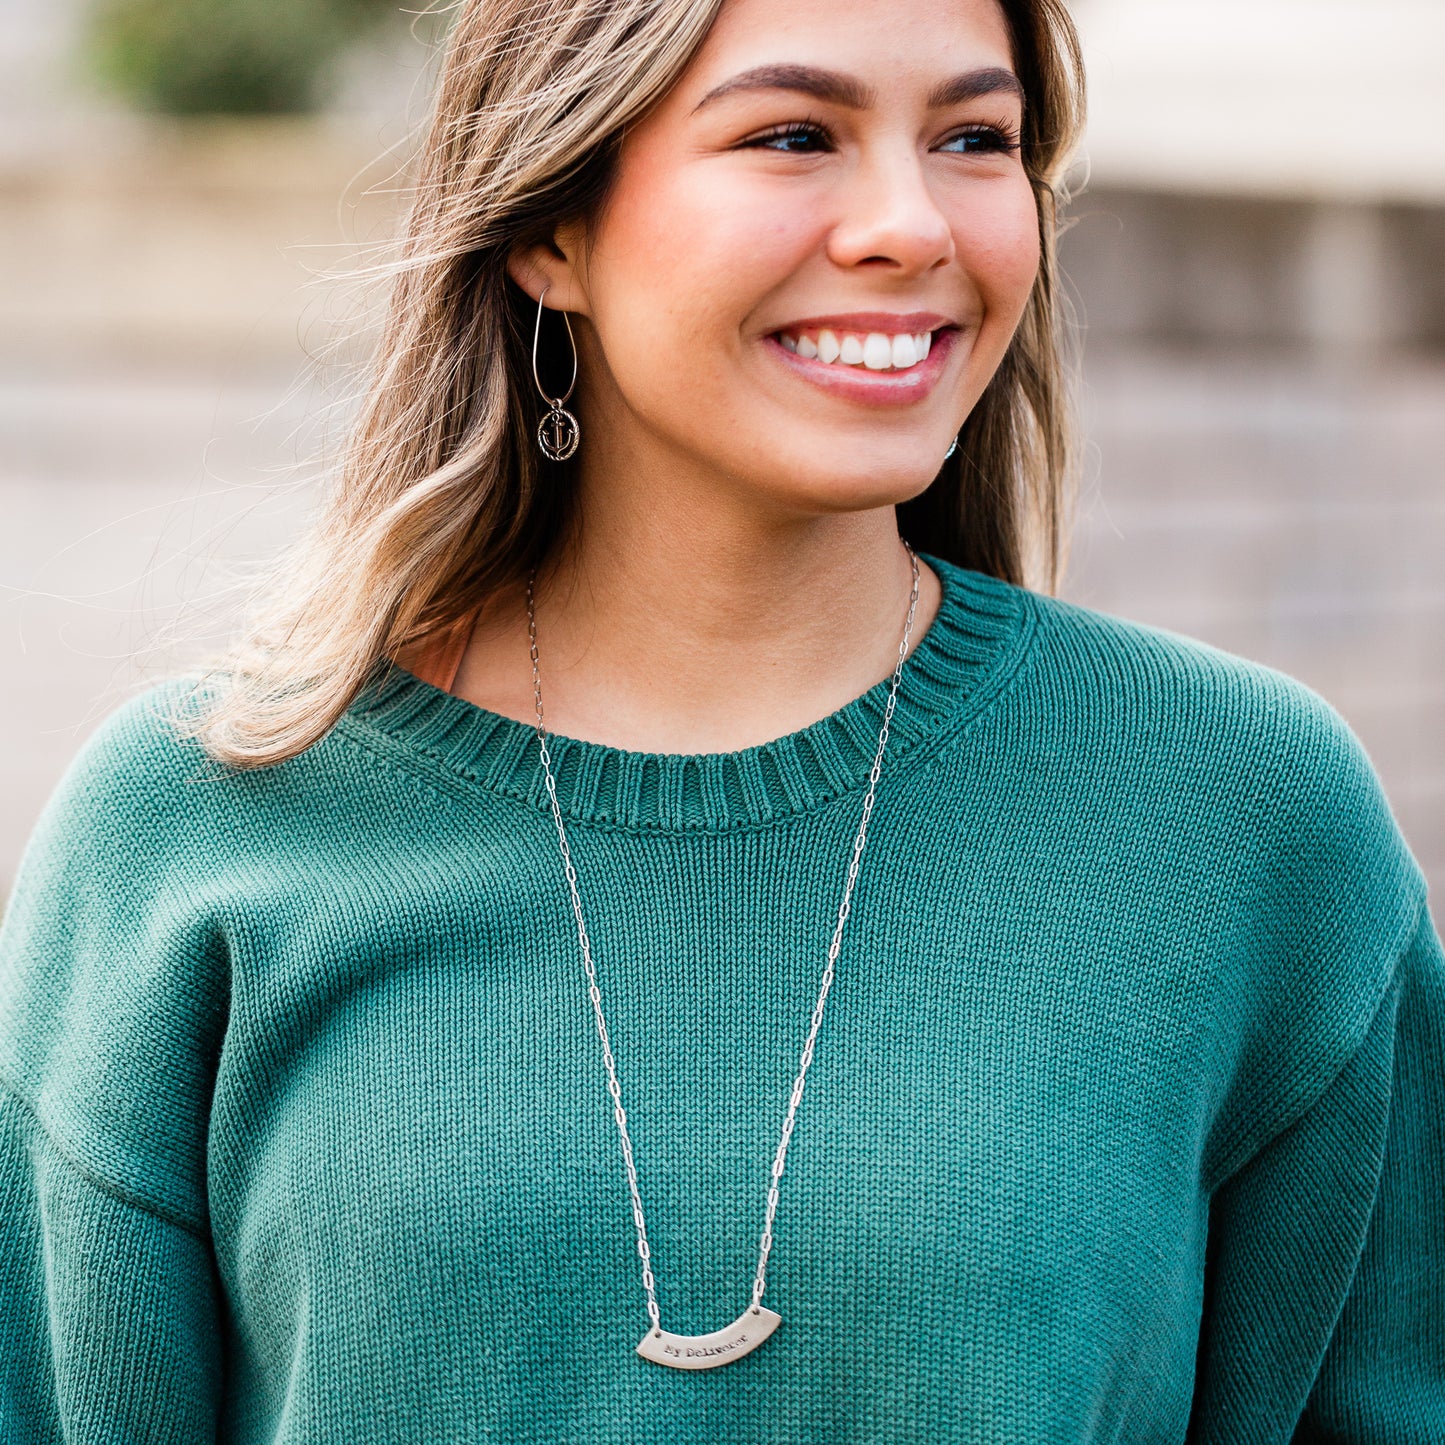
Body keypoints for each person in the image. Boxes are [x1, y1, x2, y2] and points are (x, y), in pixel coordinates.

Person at [1, 0, 1440, 1439]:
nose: (910, 222)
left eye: (972, 138)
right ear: (549, 230)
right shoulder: (192, 827)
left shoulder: (1242, 818)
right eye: (792, 134)